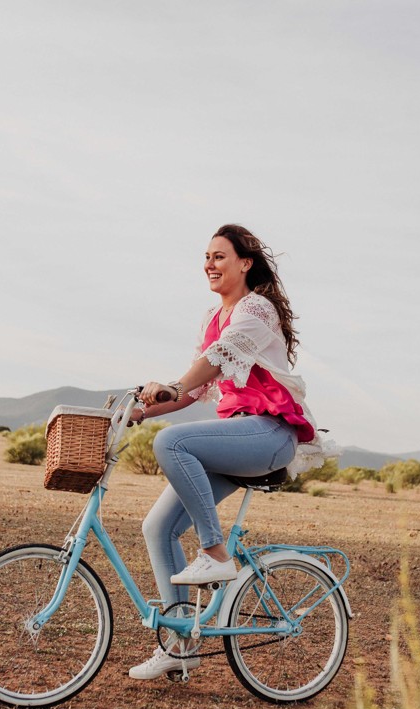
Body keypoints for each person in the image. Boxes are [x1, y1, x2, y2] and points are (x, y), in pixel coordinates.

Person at [127, 224, 330, 680]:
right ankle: (182, 647)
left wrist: (177, 384)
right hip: (238, 436)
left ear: (245, 263)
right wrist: (141, 411)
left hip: (270, 432)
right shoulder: (210, 318)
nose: (210, 264)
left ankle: (217, 554)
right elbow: (199, 390)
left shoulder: (255, 309)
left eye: (220, 256)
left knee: (173, 443)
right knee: (157, 526)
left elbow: (217, 359)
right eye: (206, 257)